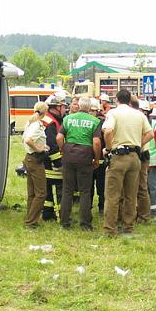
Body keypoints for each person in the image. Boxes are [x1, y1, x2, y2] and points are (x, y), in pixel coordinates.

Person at [101, 90, 152, 237]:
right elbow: (150, 134)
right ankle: (128, 227)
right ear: (129, 100)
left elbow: (108, 131)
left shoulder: (113, 113)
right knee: (131, 195)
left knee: (112, 195)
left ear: (116, 99)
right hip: (135, 157)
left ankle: (110, 230)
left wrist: (109, 148)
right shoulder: (139, 114)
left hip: (118, 156)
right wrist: (138, 143)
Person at [56, 97, 102, 230]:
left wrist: (63, 149)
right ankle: (85, 224)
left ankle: (64, 222)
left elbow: (59, 137)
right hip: (85, 156)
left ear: (78, 106)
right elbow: (97, 142)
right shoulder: (95, 121)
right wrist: (97, 158)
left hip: (69, 155)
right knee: (85, 191)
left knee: (67, 190)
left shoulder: (68, 118)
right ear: (89, 108)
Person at [22, 101, 50, 228]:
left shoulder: (30, 122)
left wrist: (41, 145)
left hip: (28, 158)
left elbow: (25, 138)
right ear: (44, 113)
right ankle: (31, 221)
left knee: (32, 193)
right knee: (41, 193)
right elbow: (28, 140)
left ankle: (30, 217)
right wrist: (39, 149)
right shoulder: (37, 125)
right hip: (35, 160)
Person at [40, 91, 67, 221]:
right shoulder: (50, 123)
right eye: (63, 106)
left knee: (49, 192)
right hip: (52, 163)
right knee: (56, 190)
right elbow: (51, 145)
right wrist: (59, 163)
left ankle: (47, 214)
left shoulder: (51, 119)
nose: (65, 109)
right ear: (57, 107)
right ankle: (58, 217)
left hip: (46, 162)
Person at [137, 100, 156, 220]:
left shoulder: (155, 126)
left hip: (152, 161)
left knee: (151, 185)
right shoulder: (139, 124)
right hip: (141, 159)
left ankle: (155, 208)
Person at [89, 99, 108, 214]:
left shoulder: (103, 123)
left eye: (93, 111)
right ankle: (88, 207)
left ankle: (102, 207)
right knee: (88, 187)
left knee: (102, 187)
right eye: (89, 110)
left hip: (100, 160)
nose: (90, 113)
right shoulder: (91, 123)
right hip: (88, 160)